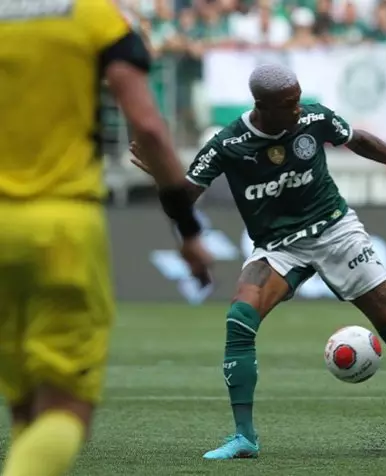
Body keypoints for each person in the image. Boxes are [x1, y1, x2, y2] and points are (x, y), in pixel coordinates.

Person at [129, 63, 386, 460]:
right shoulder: (227, 144)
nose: (298, 108)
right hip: (278, 245)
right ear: (263, 106)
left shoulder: (314, 116)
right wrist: (164, 180)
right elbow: (184, 201)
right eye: (289, 103)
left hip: (335, 230)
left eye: (299, 98)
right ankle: (245, 438)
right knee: (239, 320)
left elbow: (360, 141)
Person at [0, 2, 211, 476]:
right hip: (62, 227)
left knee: (23, 403)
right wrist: (188, 228)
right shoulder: (94, 17)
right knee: (65, 410)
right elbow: (150, 128)